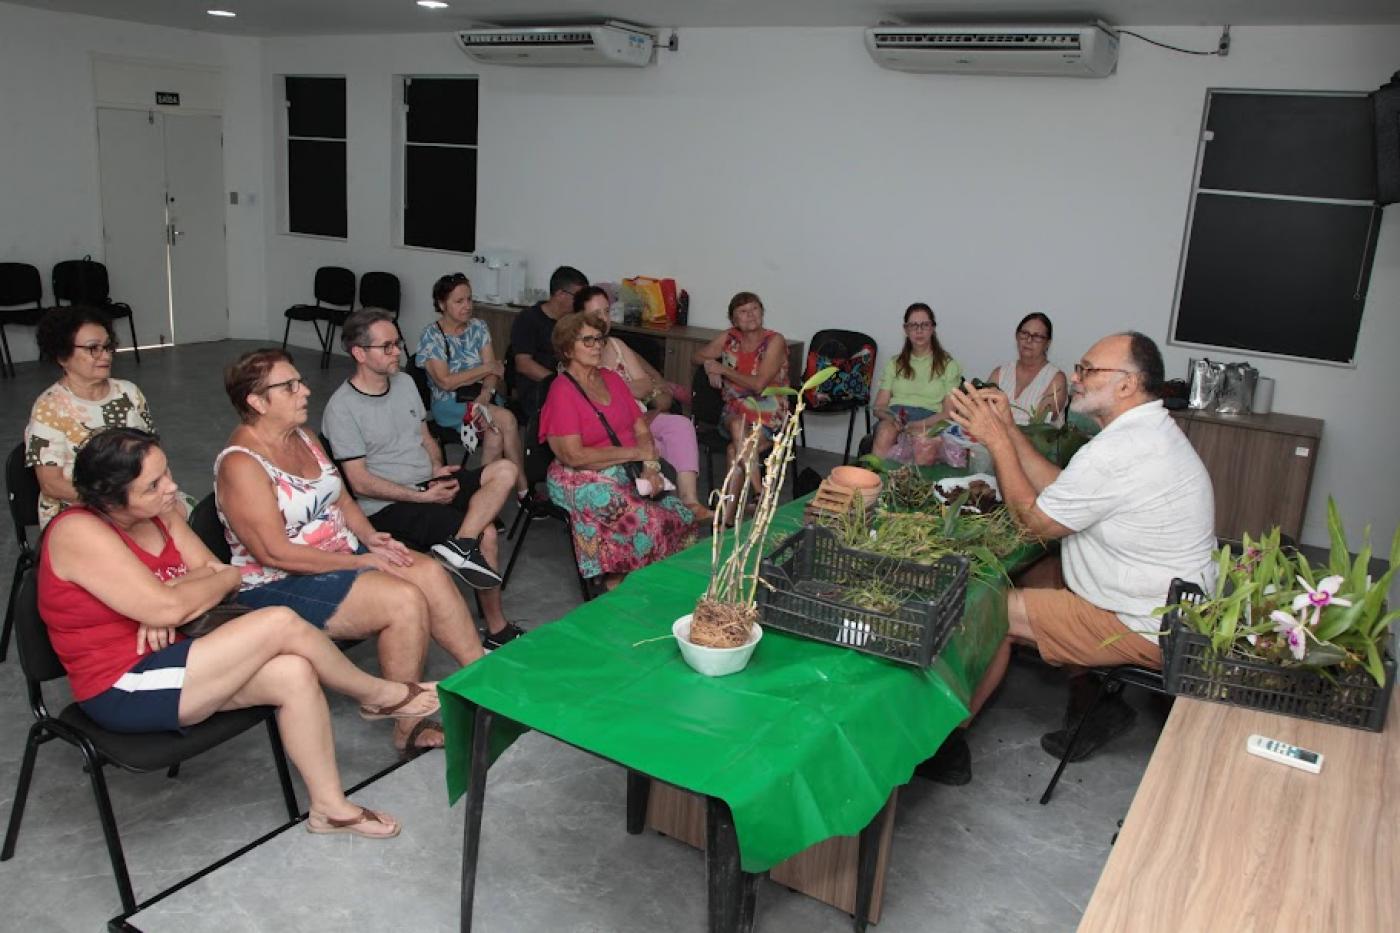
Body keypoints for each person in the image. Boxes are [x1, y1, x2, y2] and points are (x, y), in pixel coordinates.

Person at [39, 428, 436, 838]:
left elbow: (228, 576)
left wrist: (170, 595)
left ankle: (329, 808)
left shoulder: (162, 512)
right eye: (153, 484)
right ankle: (377, 695)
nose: (172, 487)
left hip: (182, 661)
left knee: (293, 672)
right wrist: (170, 602)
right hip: (122, 685)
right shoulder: (78, 531)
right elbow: (174, 605)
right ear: (109, 499)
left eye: (167, 471)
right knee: (278, 622)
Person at [948, 331, 1215, 768]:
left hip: (1147, 624)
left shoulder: (1121, 450)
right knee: (1030, 572)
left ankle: (948, 744)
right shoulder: (1143, 431)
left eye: (1088, 370)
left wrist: (996, 442)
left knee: (991, 607)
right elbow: (1060, 490)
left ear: (1127, 385)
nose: (1075, 376)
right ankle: (1095, 700)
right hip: (1166, 604)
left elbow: (1036, 521)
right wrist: (1011, 430)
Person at [215, 349, 488, 754]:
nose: (304, 390)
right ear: (256, 402)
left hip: (342, 554)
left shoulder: (303, 437)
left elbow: (341, 499)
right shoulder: (241, 464)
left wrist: (371, 537)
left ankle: (483, 683)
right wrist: (360, 559)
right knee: (403, 601)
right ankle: (406, 726)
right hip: (278, 582)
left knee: (428, 571)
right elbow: (275, 553)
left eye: (299, 381)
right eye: (289, 386)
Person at [323, 309, 525, 651]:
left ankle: (459, 545)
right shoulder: (341, 408)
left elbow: (425, 436)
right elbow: (359, 483)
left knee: (505, 470)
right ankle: (496, 627)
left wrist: (435, 469)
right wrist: (421, 497)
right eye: (386, 347)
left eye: (396, 344)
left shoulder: (403, 383)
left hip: (426, 484)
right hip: (388, 505)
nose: (397, 353)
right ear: (359, 353)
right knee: (487, 532)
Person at [541, 311, 696, 589]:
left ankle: (638, 578)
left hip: (625, 466)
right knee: (648, 522)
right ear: (567, 349)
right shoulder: (562, 390)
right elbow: (573, 456)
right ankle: (625, 586)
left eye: (599, 339)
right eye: (587, 341)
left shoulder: (611, 379)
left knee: (681, 514)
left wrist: (651, 467)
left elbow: (641, 428)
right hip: (578, 477)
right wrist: (639, 455)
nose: (597, 346)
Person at [572, 287, 712, 520]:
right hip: (612, 426)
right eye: (596, 313)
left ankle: (689, 502)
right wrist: (626, 390)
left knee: (680, 425)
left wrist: (615, 390)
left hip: (640, 415)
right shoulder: (578, 352)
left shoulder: (617, 345)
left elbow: (645, 385)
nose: (603, 319)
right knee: (656, 448)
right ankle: (666, 513)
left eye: (607, 311)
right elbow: (590, 397)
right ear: (579, 317)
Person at [25, 306, 156, 528]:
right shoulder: (50, 407)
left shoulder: (129, 393)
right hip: (78, 510)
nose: (105, 355)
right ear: (62, 356)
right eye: (92, 348)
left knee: (182, 518)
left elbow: (152, 452)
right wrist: (116, 502)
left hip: (133, 502)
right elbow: (52, 484)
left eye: (107, 346)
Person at [415, 273, 527, 497]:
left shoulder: (479, 327)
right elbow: (446, 382)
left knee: (495, 434)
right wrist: (486, 369)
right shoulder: (432, 336)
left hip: (481, 397)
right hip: (449, 403)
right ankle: (523, 488)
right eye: (459, 301)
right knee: (507, 419)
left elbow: (495, 373)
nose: (467, 306)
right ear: (441, 304)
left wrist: (486, 392)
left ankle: (480, 497)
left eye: (469, 299)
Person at [693, 292, 789, 520]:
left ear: (762, 312)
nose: (750, 315)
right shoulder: (729, 338)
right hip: (735, 407)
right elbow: (696, 356)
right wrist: (708, 363)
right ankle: (760, 492)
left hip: (768, 411)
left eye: (755, 309)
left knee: (734, 450)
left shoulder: (775, 341)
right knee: (737, 424)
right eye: (743, 312)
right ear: (734, 320)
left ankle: (726, 520)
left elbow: (759, 384)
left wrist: (723, 369)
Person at [870, 303, 962, 459]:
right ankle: (875, 481)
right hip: (896, 418)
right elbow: (879, 406)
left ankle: (916, 483)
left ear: (932, 328)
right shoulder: (894, 363)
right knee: (885, 432)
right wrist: (892, 419)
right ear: (906, 330)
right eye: (913, 325)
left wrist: (915, 425)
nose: (919, 331)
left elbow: (948, 413)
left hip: (930, 419)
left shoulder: (949, 365)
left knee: (923, 443)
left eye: (924, 325)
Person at [511, 265, 589, 416]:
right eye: (578, 297)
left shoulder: (574, 321)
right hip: (539, 388)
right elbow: (524, 364)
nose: (582, 303)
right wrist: (562, 383)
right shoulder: (528, 319)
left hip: (571, 384)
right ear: (561, 294)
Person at [987, 313, 1068, 426]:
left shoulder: (1056, 379)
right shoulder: (999, 373)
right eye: (1024, 334)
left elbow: (1038, 425)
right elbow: (983, 413)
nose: (1029, 340)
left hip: (1034, 442)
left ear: (1047, 343)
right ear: (1016, 336)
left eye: (1037, 336)